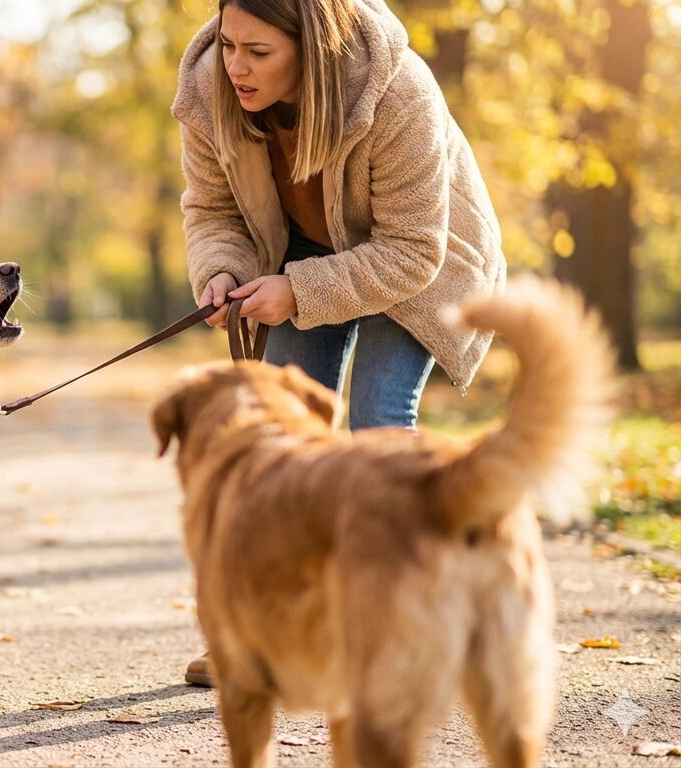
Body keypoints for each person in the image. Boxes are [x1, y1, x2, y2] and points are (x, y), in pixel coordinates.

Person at [169, 0, 507, 687]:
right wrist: (223, 270)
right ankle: (269, 634)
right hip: (297, 253)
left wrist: (298, 292)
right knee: (286, 451)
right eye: (229, 44)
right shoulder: (210, 91)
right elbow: (212, 211)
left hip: (414, 267)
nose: (236, 65)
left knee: (379, 431)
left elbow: (413, 249)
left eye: (258, 52)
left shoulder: (397, 89)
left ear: (311, 45)